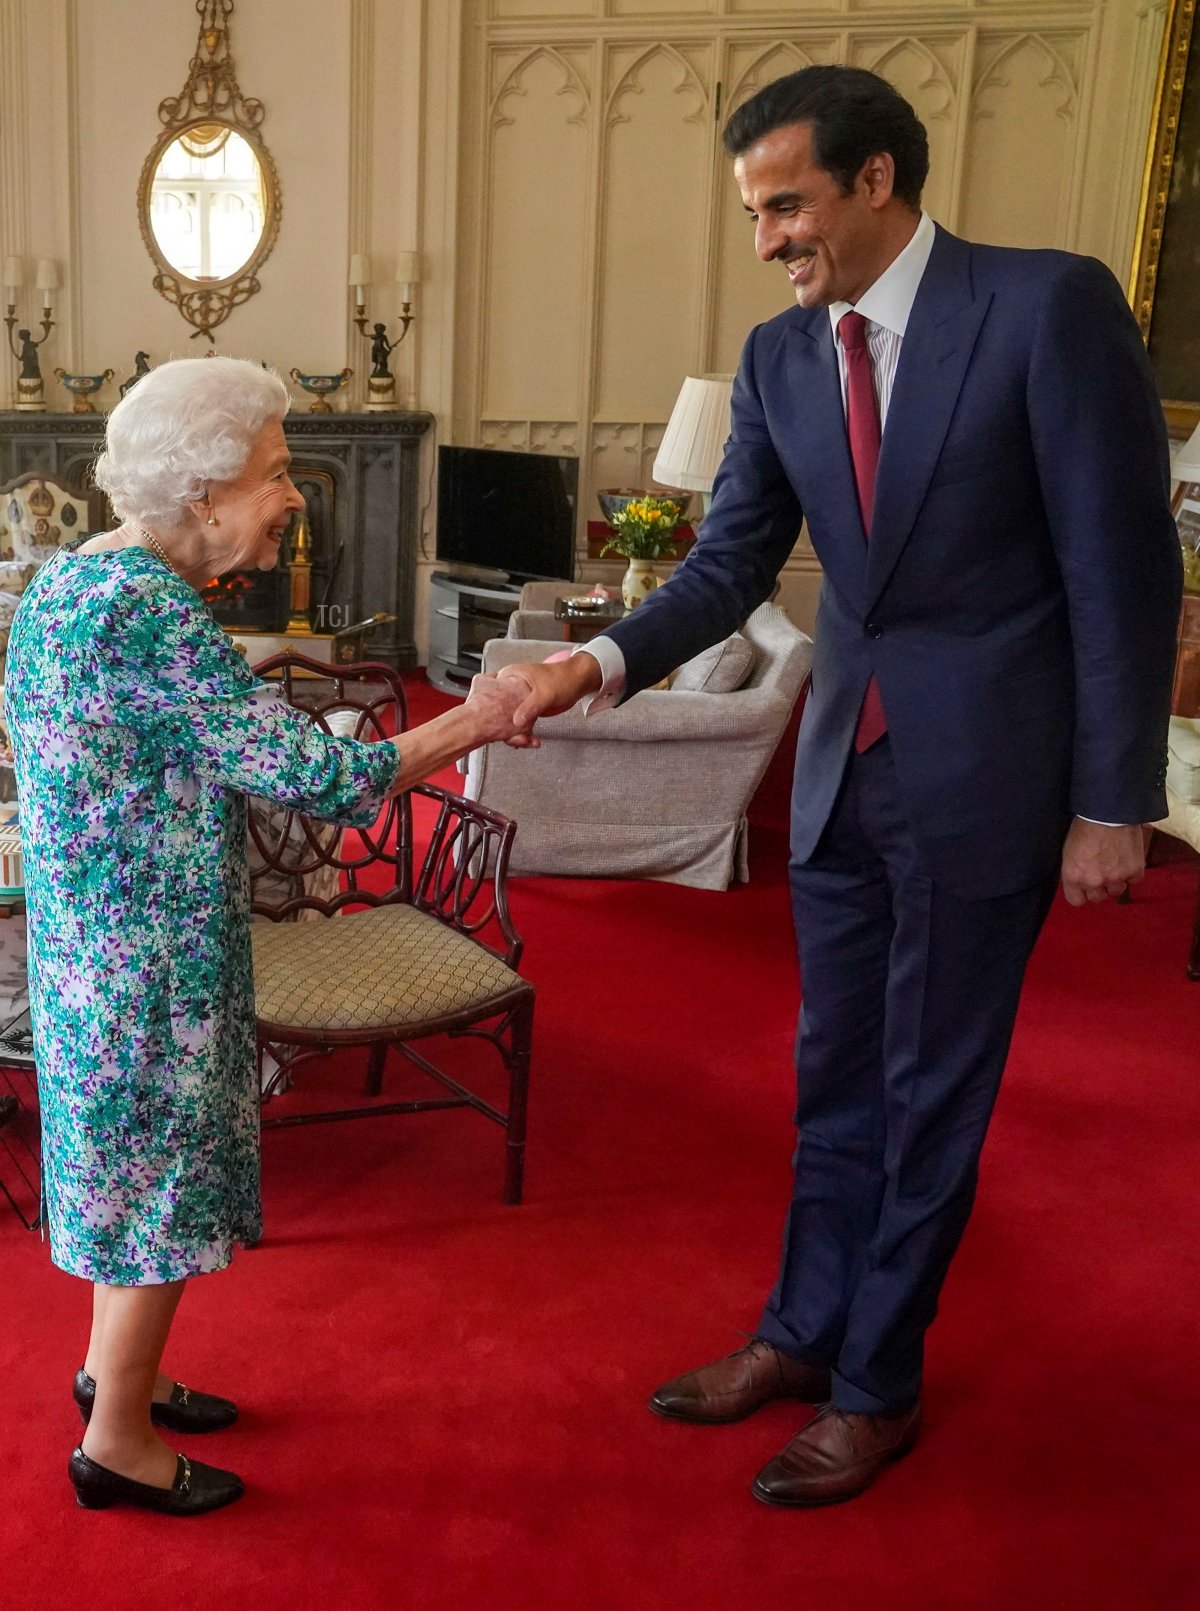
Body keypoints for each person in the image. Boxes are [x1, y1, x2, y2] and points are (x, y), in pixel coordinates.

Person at [497, 66, 1181, 1506]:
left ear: (879, 181)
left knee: (932, 1087)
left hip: (991, 781)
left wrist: (1113, 799)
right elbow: (734, 561)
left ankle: (880, 1380)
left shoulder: (1047, 307)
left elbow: (1124, 571)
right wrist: (600, 663)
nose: (768, 241)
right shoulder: (780, 355)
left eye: (787, 205)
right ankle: (801, 1332)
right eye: (756, 211)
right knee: (831, 1076)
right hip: (837, 776)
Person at [4, 356, 528, 1517]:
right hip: (146, 966)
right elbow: (325, 776)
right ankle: (119, 1448)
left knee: (128, 1182)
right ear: (201, 493)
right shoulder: (143, 614)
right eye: (276, 472)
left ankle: (112, 1381)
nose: (292, 495)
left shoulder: (76, 578)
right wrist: (479, 716)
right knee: (156, 1198)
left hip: (96, 948)